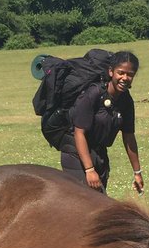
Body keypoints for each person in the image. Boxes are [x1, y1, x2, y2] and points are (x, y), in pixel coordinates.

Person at [59, 52, 144, 195]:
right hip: (76, 154)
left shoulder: (126, 100)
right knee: (91, 201)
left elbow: (129, 136)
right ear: (111, 72)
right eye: (121, 73)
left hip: (100, 155)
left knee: (99, 200)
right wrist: (89, 169)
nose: (125, 78)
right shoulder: (93, 94)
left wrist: (137, 172)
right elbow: (79, 133)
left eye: (130, 75)